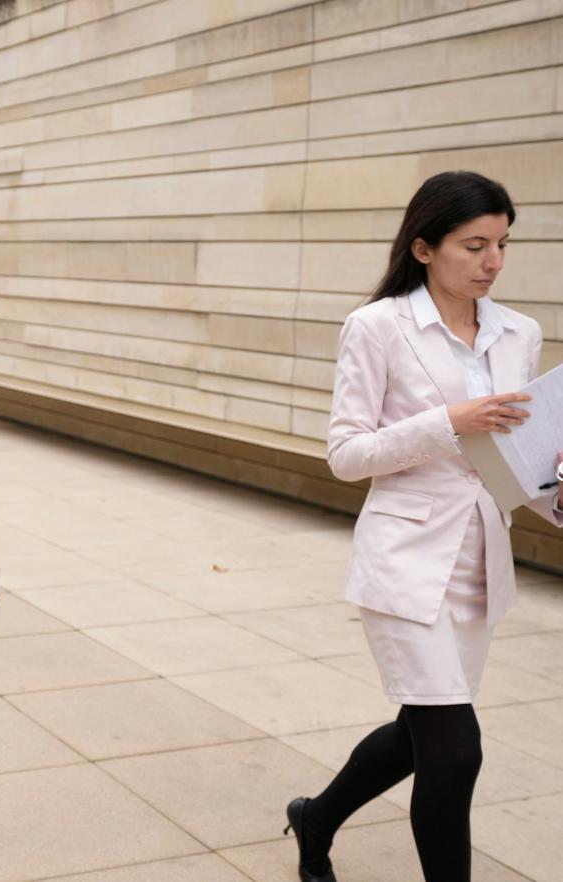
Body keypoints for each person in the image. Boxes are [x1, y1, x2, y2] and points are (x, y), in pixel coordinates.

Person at [285, 171, 563, 882]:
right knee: (455, 748)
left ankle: (315, 818)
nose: (493, 261)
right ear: (423, 247)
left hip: (477, 565)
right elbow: (347, 456)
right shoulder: (377, 327)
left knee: (422, 735)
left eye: (502, 243)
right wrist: (450, 424)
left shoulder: (519, 333)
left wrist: (557, 496)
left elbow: (514, 462)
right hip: (404, 559)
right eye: (474, 245)